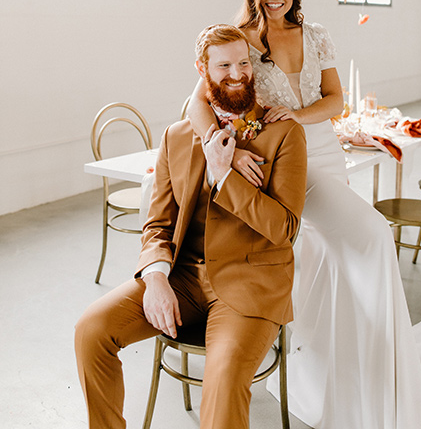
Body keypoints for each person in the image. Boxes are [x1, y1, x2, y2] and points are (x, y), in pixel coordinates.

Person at [187, 0, 421, 429]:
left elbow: (336, 99)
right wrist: (225, 151)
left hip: (326, 154)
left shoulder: (316, 34)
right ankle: (372, 368)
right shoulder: (238, 40)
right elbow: (195, 102)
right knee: (373, 233)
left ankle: (353, 366)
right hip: (287, 162)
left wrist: (298, 115)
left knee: (330, 257)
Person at [75, 24, 307, 429]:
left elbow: (285, 229)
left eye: (243, 62)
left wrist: (224, 177)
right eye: (223, 66)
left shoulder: (284, 134)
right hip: (181, 280)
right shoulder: (177, 137)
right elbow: (157, 223)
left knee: (219, 386)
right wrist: (157, 278)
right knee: (90, 330)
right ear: (202, 69)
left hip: (249, 287)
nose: (237, 74)